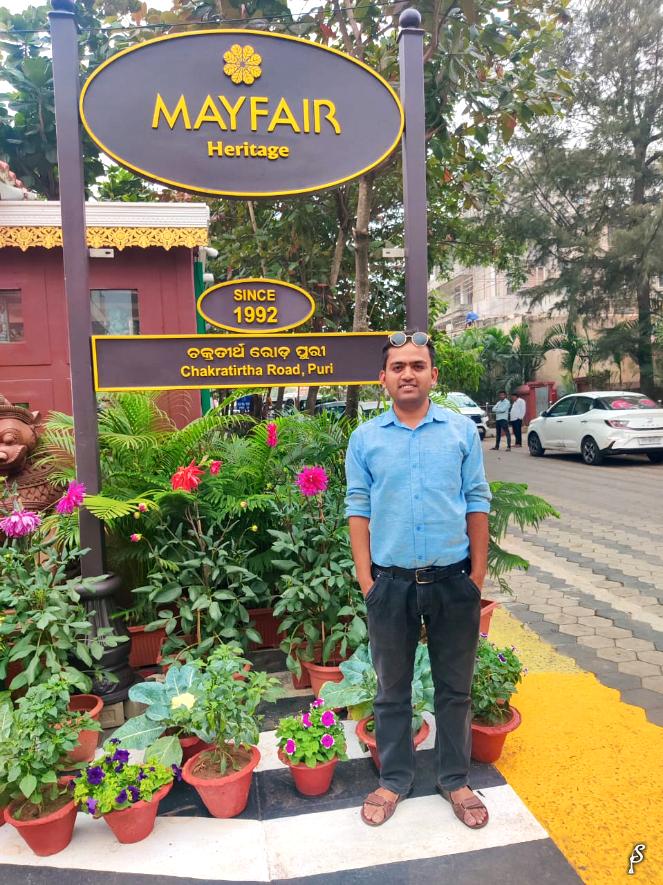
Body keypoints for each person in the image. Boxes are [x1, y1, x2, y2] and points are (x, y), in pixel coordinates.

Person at [345, 330, 491, 830]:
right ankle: (394, 779)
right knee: (391, 689)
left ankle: (455, 779)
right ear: (383, 378)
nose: (408, 374)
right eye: (398, 366)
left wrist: (476, 576)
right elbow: (358, 507)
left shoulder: (460, 432)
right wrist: (366, 579)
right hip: (390, 585)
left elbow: (477, 499)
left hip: (453, 582)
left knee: (455, 689)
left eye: (417, 365)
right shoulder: (366, 438)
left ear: (433, 375)